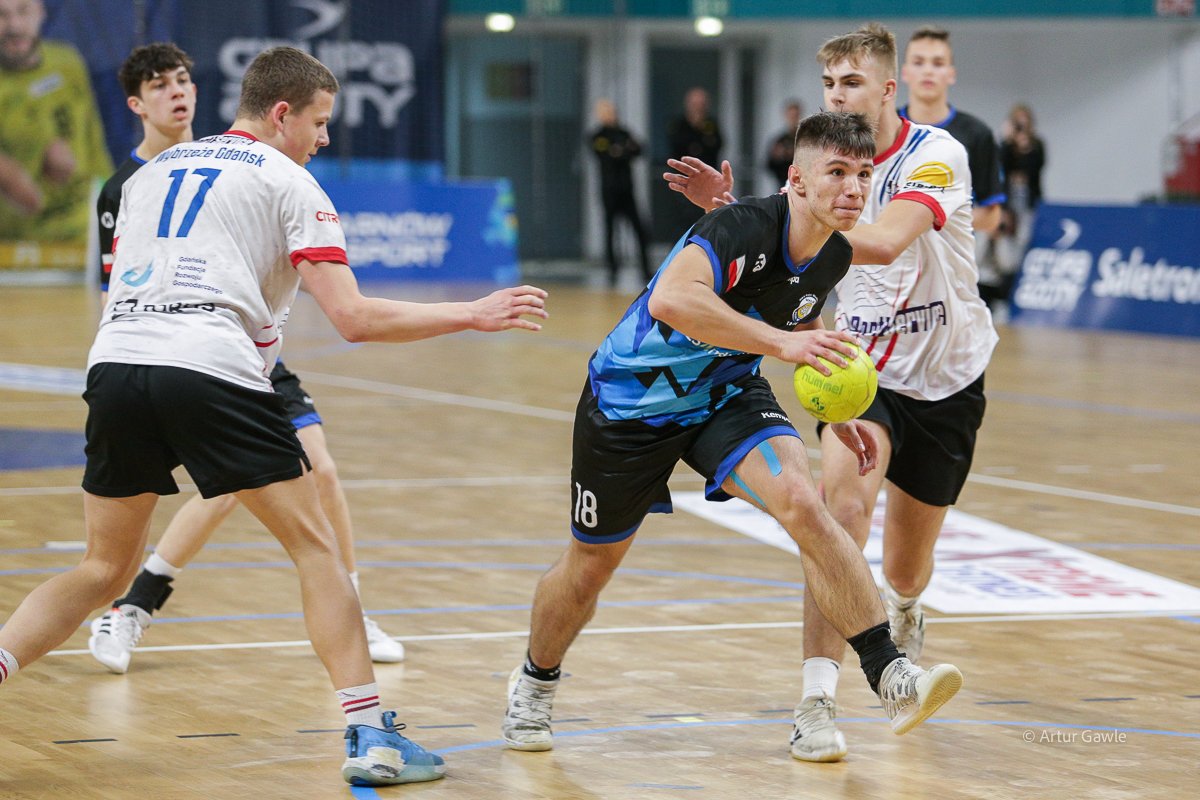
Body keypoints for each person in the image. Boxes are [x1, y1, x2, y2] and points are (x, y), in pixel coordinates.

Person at [0, 46, 549, 787]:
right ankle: (373, 737)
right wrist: (472, 313)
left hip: (116, 365)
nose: (324, 139)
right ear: (282, 113)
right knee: (317, 548)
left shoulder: (148, 174)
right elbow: (353, 319)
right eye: (319, 123)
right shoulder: (291, 182)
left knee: (101, 568)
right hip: (208, 362)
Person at [501, 111, 963, 757]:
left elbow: (804, 324)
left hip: (725, 394)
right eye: (836, 172)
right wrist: (781, 343)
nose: (854, 188)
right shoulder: (737, 225)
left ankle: (891, 674)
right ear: (796, 180)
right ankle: (535, 681)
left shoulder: (832, 253)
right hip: (632, 404)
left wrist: (838, 411)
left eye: (863, 175)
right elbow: (670, 300)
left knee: (804, 502)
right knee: (591, 567)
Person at [663, 23, 996, 764]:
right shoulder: (819, 166)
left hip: (948, 375)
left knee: (906, 567)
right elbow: (784, 247)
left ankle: (902, 607)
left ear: (888, 89)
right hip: (856, 366)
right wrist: (737, 216)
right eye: (828, 84)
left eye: (851, 83)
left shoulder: (936, 154)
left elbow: (883, 241)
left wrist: (763, 208)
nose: (837, 96)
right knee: (836, 515)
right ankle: (816, 703)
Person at [87, 43, 403, 674]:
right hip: (179, 346)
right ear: (136, 105)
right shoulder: (130, 185)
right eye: (160, 85)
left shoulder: (238, 156)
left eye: (183, 79)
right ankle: (135, 603)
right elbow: (115, 286)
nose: (177, 92)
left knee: (320, 472)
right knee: (233, 490)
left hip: (246, 345)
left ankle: (348, 607)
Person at [0, 0, 112, 266]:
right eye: (1, 15)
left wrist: (113, 204)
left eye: (23, 11)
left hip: (89, 230)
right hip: (19, 248)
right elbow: (26, 197)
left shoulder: (68, 61)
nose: (14, 26)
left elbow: (94, 142)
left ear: (41, 12)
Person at [898, 27, 1004, 237]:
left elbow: (992, 216)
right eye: (918, 62)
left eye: (938, 63)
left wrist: (929, 220)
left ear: (951, 74)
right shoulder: (884, 129)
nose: (928, 71)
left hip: (950, 255)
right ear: (905, 73)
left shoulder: (977, 134)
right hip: (891, 255)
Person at [588, 98, 651, 287]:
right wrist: (622, 151)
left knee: (640, 229)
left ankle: (645, 268)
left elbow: (638, 149)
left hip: (627, 190)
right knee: (610, 230)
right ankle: (612, 269)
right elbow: (606, 156)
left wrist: (620, 151)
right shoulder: (597, 136)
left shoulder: (624, 132)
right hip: (609, 191)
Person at [996, 103, 1045, 280]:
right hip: (1008, 197)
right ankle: (1006, 273)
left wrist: (1025, 146)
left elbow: (1035, 169)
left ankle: (1022, 270)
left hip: (1027, 196)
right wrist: (1008, 140)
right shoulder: (1006, 146)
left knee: (1025, 235)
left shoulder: (1037, 145)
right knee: (1005, 235)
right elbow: (1001, 168)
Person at [764, 99, 803, 186]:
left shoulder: (806, 139)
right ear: (786, 116)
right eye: (791, 116)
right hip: (783, 183)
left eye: (795, 116)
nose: (793, 119)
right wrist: (778, 157)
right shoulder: (779, 141)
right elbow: (769, 165)